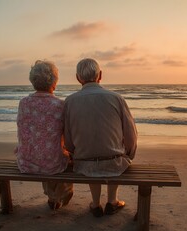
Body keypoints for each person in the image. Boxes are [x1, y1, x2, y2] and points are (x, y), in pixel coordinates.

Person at [62, 58, 138, 217]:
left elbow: (68, 139)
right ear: (100, 75)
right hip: (115, 162)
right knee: (115, 153)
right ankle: (112, 201)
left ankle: (96, 204)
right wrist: (129, 153)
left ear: (77, 78)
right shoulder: (116, 98)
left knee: (91, 152)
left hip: (85, 163)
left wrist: (75, 153)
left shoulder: (69, 101)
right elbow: (131, 133)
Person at [15, 60, 73, 210]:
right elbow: (67, 134)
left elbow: (22, 131)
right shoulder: (59, 105)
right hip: (52, 162)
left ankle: (52, 195)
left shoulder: (24, 103)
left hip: (27, 161)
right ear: (54, 81)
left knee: (43, 149)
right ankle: (59, 194)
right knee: (60, 156)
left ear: (33, 81)